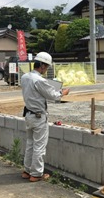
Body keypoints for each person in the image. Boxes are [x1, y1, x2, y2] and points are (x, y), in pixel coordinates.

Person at [21, 52, 70, 182]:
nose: (46, 69)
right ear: (42, 65)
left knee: (30, 144)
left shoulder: (25, 77)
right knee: (39, 146)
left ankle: (27, 170)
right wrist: (62, 92)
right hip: (38, 117)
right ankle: (36, 174)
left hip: (28, 114)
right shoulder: (39, 80)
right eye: (46, 67)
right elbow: (52, 95)